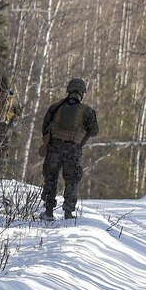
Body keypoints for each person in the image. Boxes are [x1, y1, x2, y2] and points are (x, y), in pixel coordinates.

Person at [40, 78, 99, 220]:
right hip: (73, 149)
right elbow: (95, 130)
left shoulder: (56, 107)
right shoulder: (87, 111)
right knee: (72, 180)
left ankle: (48, 211)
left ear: (69, 90)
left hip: (54, 147)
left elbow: (45, 127)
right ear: (82, 93)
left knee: (50, 177)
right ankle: (68, 212)